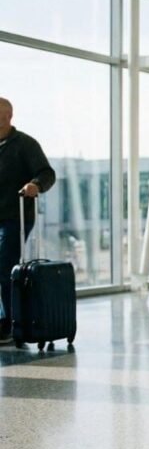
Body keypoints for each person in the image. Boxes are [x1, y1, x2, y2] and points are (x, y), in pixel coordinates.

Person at [0, 97, 56, 345]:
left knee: (4, 267)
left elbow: (47, 173)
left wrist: (35, 185)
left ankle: (10, 322)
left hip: (14, 216)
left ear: (9, 117)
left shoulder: (25, 144)